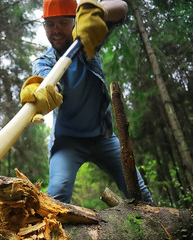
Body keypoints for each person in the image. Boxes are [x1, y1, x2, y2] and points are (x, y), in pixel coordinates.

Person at [20, 0, 153, 203]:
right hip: (67, 142)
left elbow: (122, 7)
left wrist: (98, 11)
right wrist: (44, 90)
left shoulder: (89, 41)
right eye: (50, 24)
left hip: (104, 137)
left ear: (75, 22)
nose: (55, 30)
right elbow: (46, 80)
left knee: (140, 193)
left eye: (63, 22)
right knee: (57, 193)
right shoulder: (44, 61)